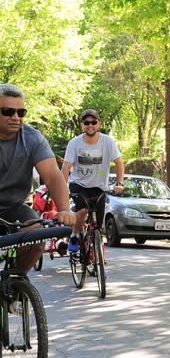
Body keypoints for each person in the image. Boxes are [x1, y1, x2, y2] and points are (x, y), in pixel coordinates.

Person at [0, 83, 77, 272]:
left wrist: (64, 209)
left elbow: (52, 176)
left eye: (21, 112)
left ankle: (16, 283)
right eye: (8, 111)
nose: (16, 117)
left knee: (37, 237)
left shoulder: (32, 138)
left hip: (13, 208)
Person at [62, 109, 125, 253]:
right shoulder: (75, 143)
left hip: (99, 187)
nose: (90, 125)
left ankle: (99, 259)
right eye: (86, 123)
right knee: (82, 210)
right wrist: (63, 188)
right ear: (82, 125)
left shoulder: (107, 141)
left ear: (99, 123)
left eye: (93, 122)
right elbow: (65, 168)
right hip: (79, 184)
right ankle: (74, 236)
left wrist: (119, 184)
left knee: (99, 226)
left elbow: (119, 163)